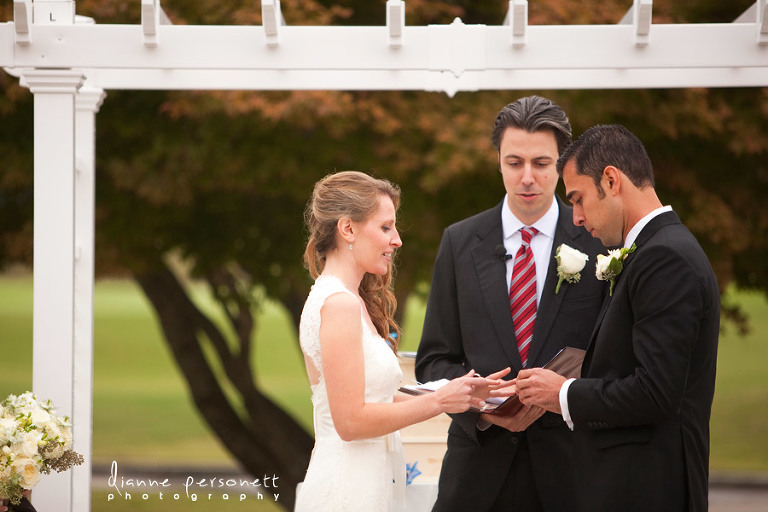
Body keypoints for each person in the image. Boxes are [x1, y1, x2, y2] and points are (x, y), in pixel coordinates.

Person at [415, 96, 607, 512]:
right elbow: (433, 360)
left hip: (570, 474)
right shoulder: (459, 243)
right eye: (514, 162)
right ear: (498, 161)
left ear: (561, 165)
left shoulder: (599, 246)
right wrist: (479, 406)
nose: (527, 178)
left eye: (541, 163)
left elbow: (613, 360)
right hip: (476, 476)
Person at [515, 124, 720, 512]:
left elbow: (655, 392)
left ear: (611, 180)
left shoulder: (665, 259)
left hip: (646, 491)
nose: (575, 218)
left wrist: (561, 393)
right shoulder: (654, 251)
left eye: (577, 199)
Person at [295, 170, 513, 512]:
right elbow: (351, 422)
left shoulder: (349, 300)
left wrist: (462, 393)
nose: (396, 240)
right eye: (385, 227)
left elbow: (374, 395)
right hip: (350, 490)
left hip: (373, 479)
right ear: (348, 229)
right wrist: (440, 401)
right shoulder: (338, 305)